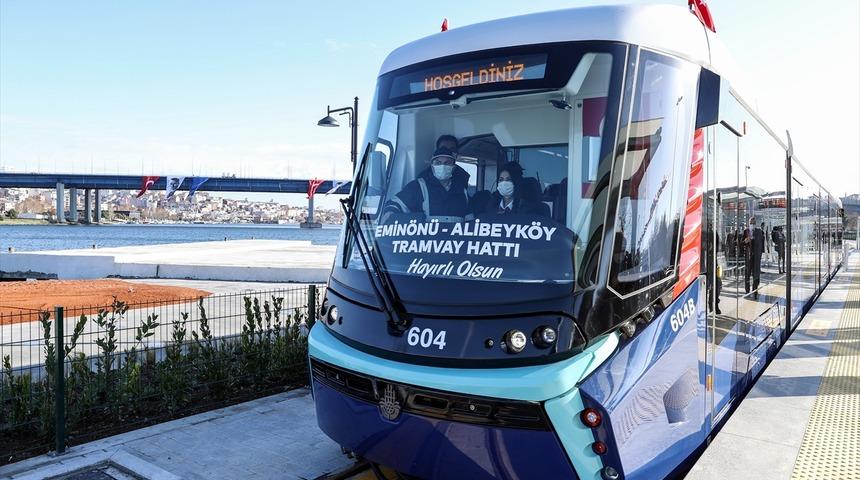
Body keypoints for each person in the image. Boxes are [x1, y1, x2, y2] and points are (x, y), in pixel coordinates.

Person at [381, 145, 471, 222]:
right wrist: (390, 213)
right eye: (438, 163)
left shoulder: (462, 191)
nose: (443, 166)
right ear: (432, 166)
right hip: (426, 241)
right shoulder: (418, 187)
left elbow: (470, 222)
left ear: (453, 167)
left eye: (447, 163)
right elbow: (396, 204)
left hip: (454, 242)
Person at [744, 217, 765, 299]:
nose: (752, 224)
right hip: (748, 257)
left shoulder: (759, 232)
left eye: (753, 223)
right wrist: (745, 241)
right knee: (747, 274)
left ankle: (755, 291)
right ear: (748, 223)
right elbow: (740, 243)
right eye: (751, 223)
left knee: (756, 274)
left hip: (756, 257)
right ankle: (747, 291)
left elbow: (762, 243)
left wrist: (760, 254)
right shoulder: (746, 231)